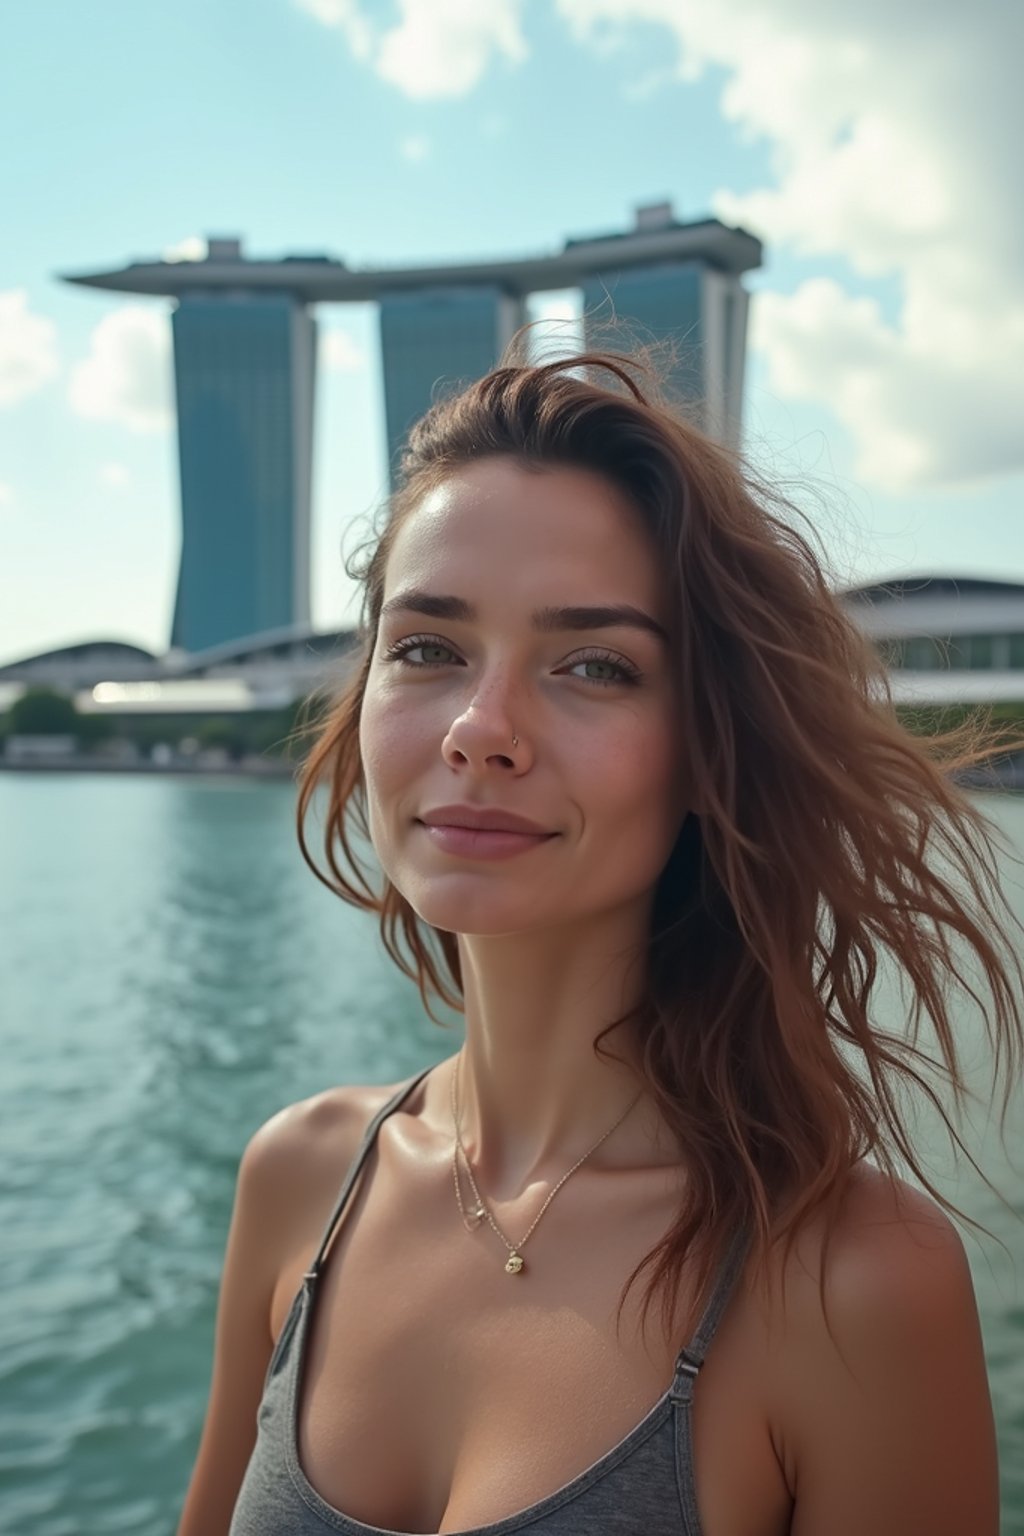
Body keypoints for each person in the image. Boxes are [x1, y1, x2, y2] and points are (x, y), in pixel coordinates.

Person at [176, 338, 1023, 1536]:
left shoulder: (851, 1283)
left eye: (592, 665)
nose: (481, 727)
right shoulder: (302, 1177)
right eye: (427, 648)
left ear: (704, 747)